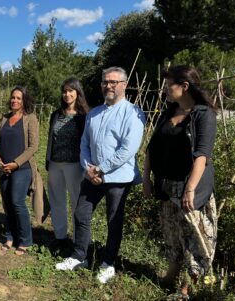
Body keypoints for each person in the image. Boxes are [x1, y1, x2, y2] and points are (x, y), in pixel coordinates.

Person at [55, 67, 145, 284]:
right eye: (105, 82)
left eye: (113, 82)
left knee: (113, 221)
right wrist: (88, 168)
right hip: (92, 176)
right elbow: (84, 143)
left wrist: (101, 168)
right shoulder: (94, 113)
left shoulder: (133, 112)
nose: (109, 86)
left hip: (118, 178)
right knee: (80, 213)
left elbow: (128, 149)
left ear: (124, 84)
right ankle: (80, 256)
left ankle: (108, 263)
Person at [143, 66, 217, 298]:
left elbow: (202, 155)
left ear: (184, 87)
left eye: (168, 86)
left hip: (190, 188)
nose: (164, 90)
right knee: (172, 234)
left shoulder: (203, 114)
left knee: (194, 238)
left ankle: (188, 287)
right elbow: (151, 149)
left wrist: (190, 189)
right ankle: (171, 275)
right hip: (167, 187)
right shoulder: (169, 112)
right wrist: (147, 179)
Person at [0, 86, 38, 255]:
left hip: (21, 168)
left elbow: (33, 146)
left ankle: (25, 239)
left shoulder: (30, 119)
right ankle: (10, 236)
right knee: (7, 204)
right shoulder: (3, 118)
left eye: (19, 98)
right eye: (13, 97)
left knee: (17, 202)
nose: (15, 101)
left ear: (24, 100)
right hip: (3, 168)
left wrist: (15, 163)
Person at [46, 77, 89, 247]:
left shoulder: (84, 116)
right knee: (57, 201)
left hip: (74, 165)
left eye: (71, 90)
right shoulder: (56, 114)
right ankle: (60, 236)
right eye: (64, 91)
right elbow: (51, 140)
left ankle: (78, 240)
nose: (67, 94)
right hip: (56, 164)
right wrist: (48, 160)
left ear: (78, 93)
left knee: (76, 202)